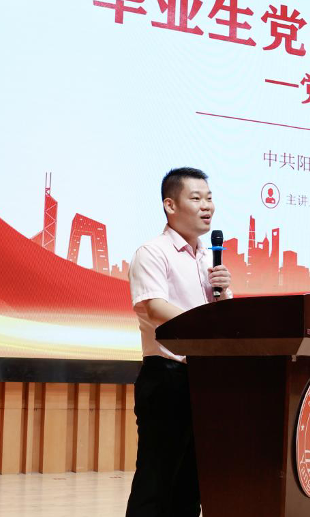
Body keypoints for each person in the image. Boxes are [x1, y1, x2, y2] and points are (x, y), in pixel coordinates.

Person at [125, 167, 232, 517]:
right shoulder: (153, 252)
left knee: (191, 486)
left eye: (209, 198)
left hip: (205, 379)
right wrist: (204, 326)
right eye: (196, 198)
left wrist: (224, 294)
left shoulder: (209, 259)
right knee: (156, 482)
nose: (207, 206)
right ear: (170, 205)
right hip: (167, 377)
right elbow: (155, 307)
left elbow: (223, 320)